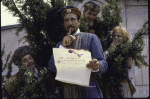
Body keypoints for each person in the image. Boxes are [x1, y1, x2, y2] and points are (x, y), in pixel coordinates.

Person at [48, 6, 108, 98]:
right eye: (66, 20)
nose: (70, 23)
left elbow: (104, 64)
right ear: (64, 23)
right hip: (68, 92)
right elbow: (52, 67)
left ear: (79, 21)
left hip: (88, 91)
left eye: (73, 19)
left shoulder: (91, 38)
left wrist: (97, 65)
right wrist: (61, 47)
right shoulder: (60, 44)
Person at [102, 26, 136, 98]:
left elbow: (132, 73)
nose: (116, 38)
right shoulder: (108, 48)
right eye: (114, 36)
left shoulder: (128, 51)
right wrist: (111, 49)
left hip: (123, 84)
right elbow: (102, 60)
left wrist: (129, 64)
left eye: (119, 36)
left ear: (124, 38)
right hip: (110, 84)